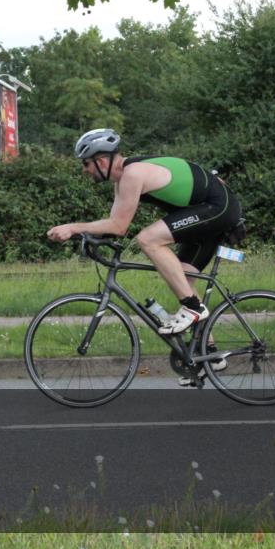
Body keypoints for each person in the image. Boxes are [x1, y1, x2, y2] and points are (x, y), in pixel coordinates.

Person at [46, 129, 242, 384]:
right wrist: (88, 237)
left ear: (101, 162)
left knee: (148, 238)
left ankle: (193, 309)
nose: (84, 170)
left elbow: (118, 227)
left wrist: (74, 227)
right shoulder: (123, 180)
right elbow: (113, 225)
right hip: (205, 208)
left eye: (85, 164)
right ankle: (211, 355)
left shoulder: (132, 174)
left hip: (217, 207)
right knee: (179, 276)